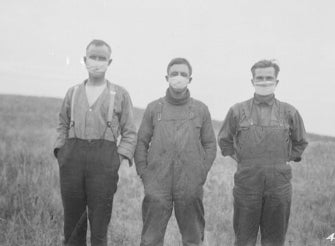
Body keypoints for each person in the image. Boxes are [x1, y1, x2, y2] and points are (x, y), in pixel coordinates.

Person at [53, 39, 137, 246]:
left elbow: (129, 132)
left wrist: (117, 159)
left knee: (99, 223)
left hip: (104, 161)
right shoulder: (73, 92)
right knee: (72, 223)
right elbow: (62, 123)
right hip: (72, 159)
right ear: (84, 60)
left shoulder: (120, 94)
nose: (97, 62)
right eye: (93, 57)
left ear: (110, 62)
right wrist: (61, 152)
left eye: (102, 58)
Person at [218, 59, 308, 246]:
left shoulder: (290, 112)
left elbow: (300, 142)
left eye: (269, 77)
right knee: (244, 240)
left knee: (274, 241)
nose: (264, 81)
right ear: (252, 81)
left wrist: (284, 159)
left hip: (279, 186)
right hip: (246, 185)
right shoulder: (237, 111)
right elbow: (225, 141)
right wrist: (242, 159)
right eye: (260, 78)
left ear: (276, 81)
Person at [134, 57, 217, 246]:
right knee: (150, 240)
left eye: (183, 74)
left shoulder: (201, 109)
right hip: (157, 183)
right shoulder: (154, 108)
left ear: (190, 79)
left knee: (193, 239)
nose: (178, 77)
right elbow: (141, 143)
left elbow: (210, 145)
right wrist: (144, 174)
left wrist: (200, 173)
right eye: (174, 74)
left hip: (189, 184)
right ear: (166, 77)